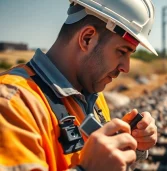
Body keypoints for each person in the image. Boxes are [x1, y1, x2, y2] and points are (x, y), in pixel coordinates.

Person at [0, 0, 158, 170]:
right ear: (87, 38)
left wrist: (132, 143)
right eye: (122, 51)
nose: (126, 67)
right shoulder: (12, 104)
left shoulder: (93, 97)